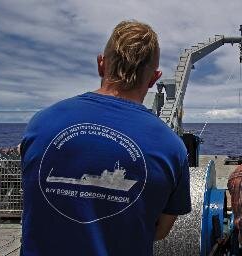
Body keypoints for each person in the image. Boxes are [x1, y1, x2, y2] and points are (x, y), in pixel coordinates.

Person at [20, 20, 191, 256]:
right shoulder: (173, 148)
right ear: (154, 78)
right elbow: (160, 231)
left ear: (101, 64)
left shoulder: (40, 123)